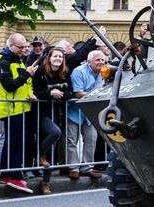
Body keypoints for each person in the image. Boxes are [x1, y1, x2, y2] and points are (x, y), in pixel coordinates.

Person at [0, 33, 37, 194]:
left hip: (21, 107)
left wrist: (30, 94)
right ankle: (12, 174)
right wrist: (27, 73)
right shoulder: (3, 61)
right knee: (14, 143)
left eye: (25, 47)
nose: (23, 50)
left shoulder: (17, 59)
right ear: (11, 46)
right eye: (20, 47)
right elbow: (10, 86)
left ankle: (8, 173)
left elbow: (22, 85)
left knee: (17, 143)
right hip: (11, 109)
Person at [29, 46, 68, 195]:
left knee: (51, 151)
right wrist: (50, 93)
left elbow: (70, 91)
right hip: (41, 113)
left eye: (60, 57)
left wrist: (61, 94)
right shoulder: (40, 72)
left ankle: (46, 183)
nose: (58, 59)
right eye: (55, 56)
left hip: (57, 113)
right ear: (49, 58)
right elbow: (36, 91)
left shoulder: (64, 73)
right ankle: (40, 155)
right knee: (54, 133)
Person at [67, 50, 105, 182]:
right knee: (72, 140)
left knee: (92, 139)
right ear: (89, 61)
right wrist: (97, 95)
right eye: (97, 60)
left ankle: (87, 168)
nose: (101, 62)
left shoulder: (104, 72)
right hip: (74, 111)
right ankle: (74, 168)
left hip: (90, 113)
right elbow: (78, 93)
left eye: (102, 60)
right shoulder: (79, 71)